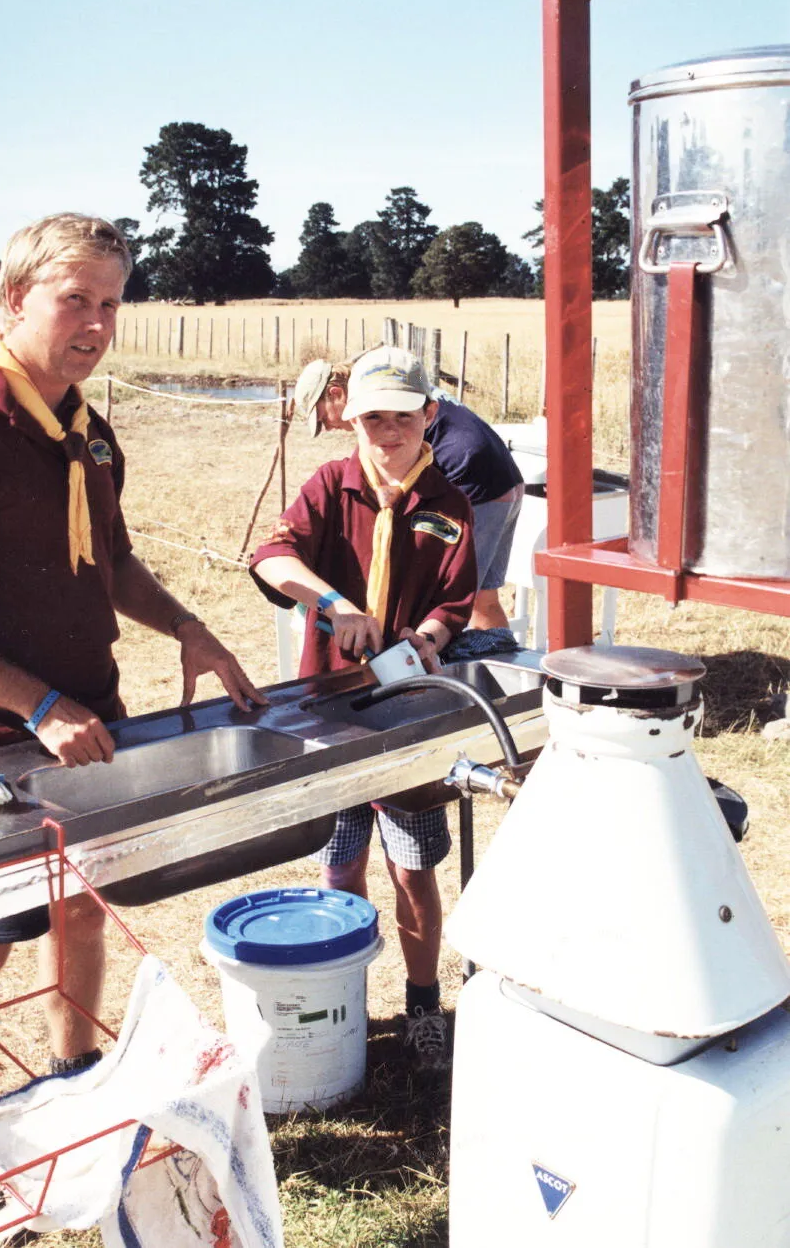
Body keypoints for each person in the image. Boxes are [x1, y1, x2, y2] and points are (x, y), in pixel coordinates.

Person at [0, 213, 265, 1244]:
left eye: (111, 300)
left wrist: (189, 628)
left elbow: (114, 563)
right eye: (76, 299)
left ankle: (75, 1086)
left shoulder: (87, 428)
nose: (97, 321)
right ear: (11, 300)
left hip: (88, 725)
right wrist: (37, 706)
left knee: (83, 912)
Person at [251, 350, 476, 1075]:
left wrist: (428, 639)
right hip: (332, 710)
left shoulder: (447, 503)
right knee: (339, 860)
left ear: (428, 417)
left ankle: (421, 1004)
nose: (386, 432)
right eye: (372, 417)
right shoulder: (329, 485)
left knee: (411, 867)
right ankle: (338, 991)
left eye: (402, 417)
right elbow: (270, 557)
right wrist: (333, 604)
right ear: (348, 418)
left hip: (407, 713)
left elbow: (454, 601)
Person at [293, 344, 524, 631]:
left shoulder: (378, 396)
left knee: (457, 600)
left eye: (322, 418)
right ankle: (494, 664)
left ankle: (463, 668)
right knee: (484, 597)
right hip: (504, 477)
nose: (328, 427)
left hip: (471, 479)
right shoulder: (399, 381)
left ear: (336, 395)